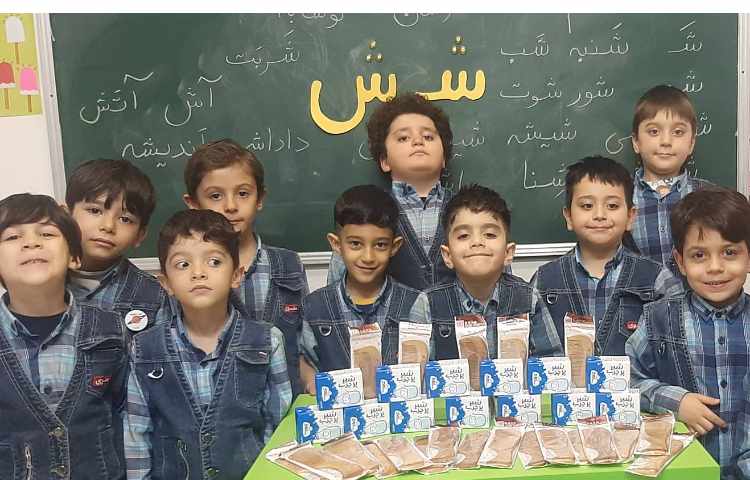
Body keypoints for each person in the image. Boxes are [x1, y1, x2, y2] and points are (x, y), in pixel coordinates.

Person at [124, 209, 291, 479]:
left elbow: (278, 427)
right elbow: (137, 435)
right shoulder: (144, 349)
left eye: (214, 261)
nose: (198, 273)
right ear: (165, 283)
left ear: (236, 275)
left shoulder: (268, 341)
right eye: (183, 264)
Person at [0, 193, 128, 479]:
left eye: (47, 233)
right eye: (12, 237)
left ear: (74, 257)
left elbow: (129, 418)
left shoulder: (110, 329)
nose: (31, 243)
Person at [627, 187, 750, 480]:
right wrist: (676, 401)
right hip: (682, 470)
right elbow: (626, 381)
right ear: (681, 262)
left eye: (729, 252)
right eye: (699, 255)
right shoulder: (658, 319)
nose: (715, 267)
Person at [183, 139, 308, 395]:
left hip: (285, 401)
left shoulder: (289, 265)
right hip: (218, 405)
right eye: (215, 196)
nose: (230, 206)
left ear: (260, 198)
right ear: (193, 203)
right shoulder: (186, 272)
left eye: (242, 193)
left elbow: (305, 342)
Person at [532, 156, 681, 355]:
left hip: (636, 377)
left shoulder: (657, 280)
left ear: (630, 217)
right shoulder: (544, 281)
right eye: (587, 206)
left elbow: (677, 350)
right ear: (568, 217)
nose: (600, 215)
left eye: (612, 206)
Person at [299, 185, 430, 392]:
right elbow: (306, 362)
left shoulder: (415, 303)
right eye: (355, 244)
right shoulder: (315, 308)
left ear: (394, 246)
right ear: (336, 244)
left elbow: (425, 369)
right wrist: (310, 381)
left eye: (380, 245)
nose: (368, 257)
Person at [327, 92, 456, 290]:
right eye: (403, 138)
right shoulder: (364, 210)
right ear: (385, 161)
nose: (418, 141)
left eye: (428, 136)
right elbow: (337, 291)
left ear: (444, 158)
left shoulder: (469, 209)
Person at [426, 184, 562, 360]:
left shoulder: (528, 299)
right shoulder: (428, 304)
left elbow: (551, 362)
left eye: (489, 234)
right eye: (463, 236)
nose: (477, 242)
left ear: (508, 253)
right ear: (447, 255)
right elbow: (414, 368)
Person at [66, 158, 165, 334]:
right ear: (66, 216)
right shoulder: (37, 281)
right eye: (95, 211)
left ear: (140, 235)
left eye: (125, 219)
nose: (108, 226)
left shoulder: (153, 296)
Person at [629, 85, 712, 275]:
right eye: (654, 132)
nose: (666, 141)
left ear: (691, 143)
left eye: (678, 132)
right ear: (636, 142)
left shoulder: (710, 197)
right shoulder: (619, 198)